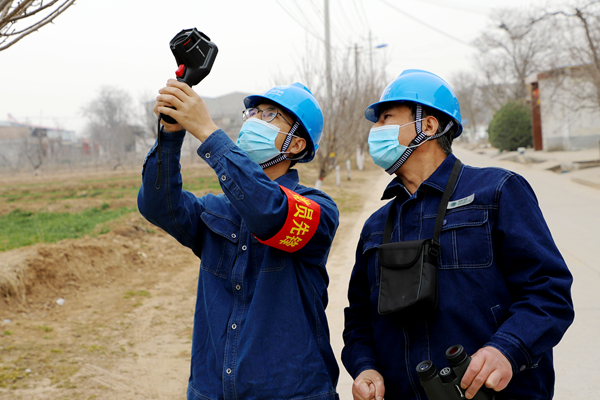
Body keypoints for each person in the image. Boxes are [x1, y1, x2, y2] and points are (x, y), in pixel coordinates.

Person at [341, 69, 574, 400]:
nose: (375, 131)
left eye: (386, 118)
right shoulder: (376, 226)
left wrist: (507, 348)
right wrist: (365, 366)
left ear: (429, 126)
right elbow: (359, 319)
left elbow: (549, 292)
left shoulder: (497, 191)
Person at [138, 79, 340, 400]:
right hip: (212, 391)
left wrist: (208, 132)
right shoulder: (216, 209)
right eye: (253, 112)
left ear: (297, 145)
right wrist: (171, 134)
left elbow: (268, 212)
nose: (254, 120)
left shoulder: (317, 210)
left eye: (270, 115)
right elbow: (158, 204)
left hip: (292, 393)